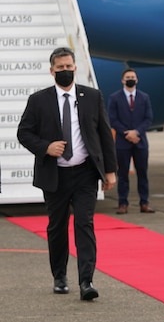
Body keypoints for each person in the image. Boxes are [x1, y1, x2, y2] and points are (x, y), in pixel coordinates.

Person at [17, 47, 117, 300]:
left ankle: (87, 281)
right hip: (55, 175)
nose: (65, 71)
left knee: (85, 224)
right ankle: (59, 276)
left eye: (68, 67)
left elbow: (104, 134)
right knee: (57, 227)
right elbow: (24, 132)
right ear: (51, 71)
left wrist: (110, 171)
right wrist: (46, 148)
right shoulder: (38, 100)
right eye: (59, 68)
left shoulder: (92, 96)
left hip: (85, 173)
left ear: (75, 67)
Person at [108, 68, 155, 214]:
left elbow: (148, 118)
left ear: (137, 80)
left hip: (140, 141)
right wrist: (126, 133)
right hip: (123, 142)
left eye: (133, 77)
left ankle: (144, 203)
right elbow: (112, 119)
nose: (130, 79)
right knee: (122, 174)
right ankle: (123, 203)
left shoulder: (144, 97)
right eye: (128, 77)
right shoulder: (114, 98)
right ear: (122, 80)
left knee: (143, 173)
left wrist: (136, 132)